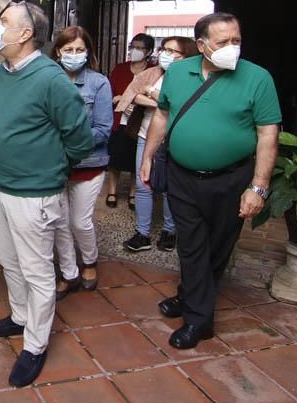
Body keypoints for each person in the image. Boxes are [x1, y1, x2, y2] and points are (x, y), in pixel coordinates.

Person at [141, 12, 280, 349]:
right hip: (182, 176)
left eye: (237, 40)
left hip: (232, 180)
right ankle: (198, 321)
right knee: (191, 246)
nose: (232, 48)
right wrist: (147, 156)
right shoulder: (178, 72)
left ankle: (188, 295)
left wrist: (257, 187)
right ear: (202, 46)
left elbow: (267, 134)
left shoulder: (258, 78)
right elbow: (162, 114)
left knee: (217, 248)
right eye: (223, 42)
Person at [0, 2, 94, 387]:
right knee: (8, 261)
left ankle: (35, 345)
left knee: (37, 273)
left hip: (34, 196)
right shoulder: (9, 72)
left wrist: (49, 168)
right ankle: (19, 318)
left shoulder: (52, 79)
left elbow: (80, 138)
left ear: (25, 34)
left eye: (3, 23)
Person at [119, 36, 199, 253]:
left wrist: (153, 94)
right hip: (146, 136)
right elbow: (133, 96)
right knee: (143, 183)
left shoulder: (194, 79)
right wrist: (160, 100)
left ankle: (169, 231)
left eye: (174, 52)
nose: (167, 55)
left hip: (175, 140)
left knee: (169, 187)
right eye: (165, 49)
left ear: (188, 56)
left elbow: (183, 105)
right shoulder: (153, 73)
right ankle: (142, 233)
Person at [50, 27, 113, 297]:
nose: (74, 55)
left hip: (89, 164)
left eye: (79, 50)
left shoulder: (98, 83)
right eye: (68, 50)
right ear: (57, 52)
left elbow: (103, 129)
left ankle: (89, 261)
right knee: (59, 222)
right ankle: (69, 272)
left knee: (79, 222)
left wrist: (67, 145)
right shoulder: (48, 81)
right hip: (54, 167)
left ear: (88, 52)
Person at [106, 33, 154, 209]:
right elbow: (109, 94)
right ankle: (112, 191)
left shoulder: (154, 70)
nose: (135, 50)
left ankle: (133, 193)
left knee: (137, 161)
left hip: (140, 123)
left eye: (140, 48)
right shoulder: (120, 69)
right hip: (119, 121)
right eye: (133, 46)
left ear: (148, 51)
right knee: (115, 160)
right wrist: (118, 99)